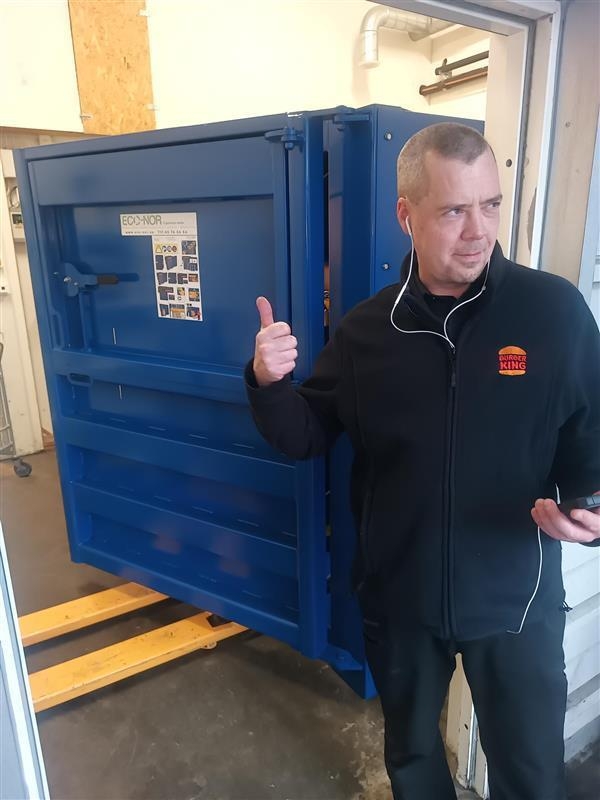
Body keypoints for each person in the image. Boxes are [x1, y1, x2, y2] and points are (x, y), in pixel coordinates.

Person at [245, 123, 600, 800]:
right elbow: (305, 434)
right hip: (400, 598)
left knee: (531, 774)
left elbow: (593, 431)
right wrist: (268, 383)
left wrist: (592, 504)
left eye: (490, 205)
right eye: (454, 211)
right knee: (412, 759)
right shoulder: (367, 332)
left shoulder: (551, 312)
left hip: (516, 598)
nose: (479, 231)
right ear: (406, 215)